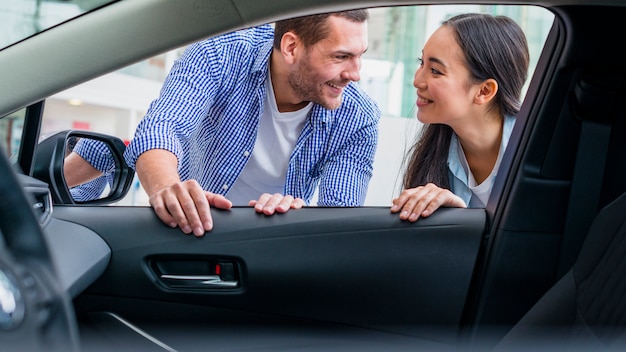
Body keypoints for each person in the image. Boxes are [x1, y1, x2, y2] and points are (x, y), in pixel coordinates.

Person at [123, 10, 380, 237]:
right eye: (340, 57)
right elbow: (162, 128)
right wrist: (167, 187)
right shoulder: (220, 54)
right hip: (193, 232)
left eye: (359, 56)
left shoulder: (359, 118)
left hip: (273, 247)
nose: (355, 74)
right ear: (291, 47)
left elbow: (339, 221)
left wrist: (300, 219)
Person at [391, 13, 529, 222]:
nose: (417, 80)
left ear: (484, 91)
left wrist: (463, 218)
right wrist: (452, 219)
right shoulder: (436, 153)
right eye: (422, 63)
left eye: (435, 71)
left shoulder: (533, 153)